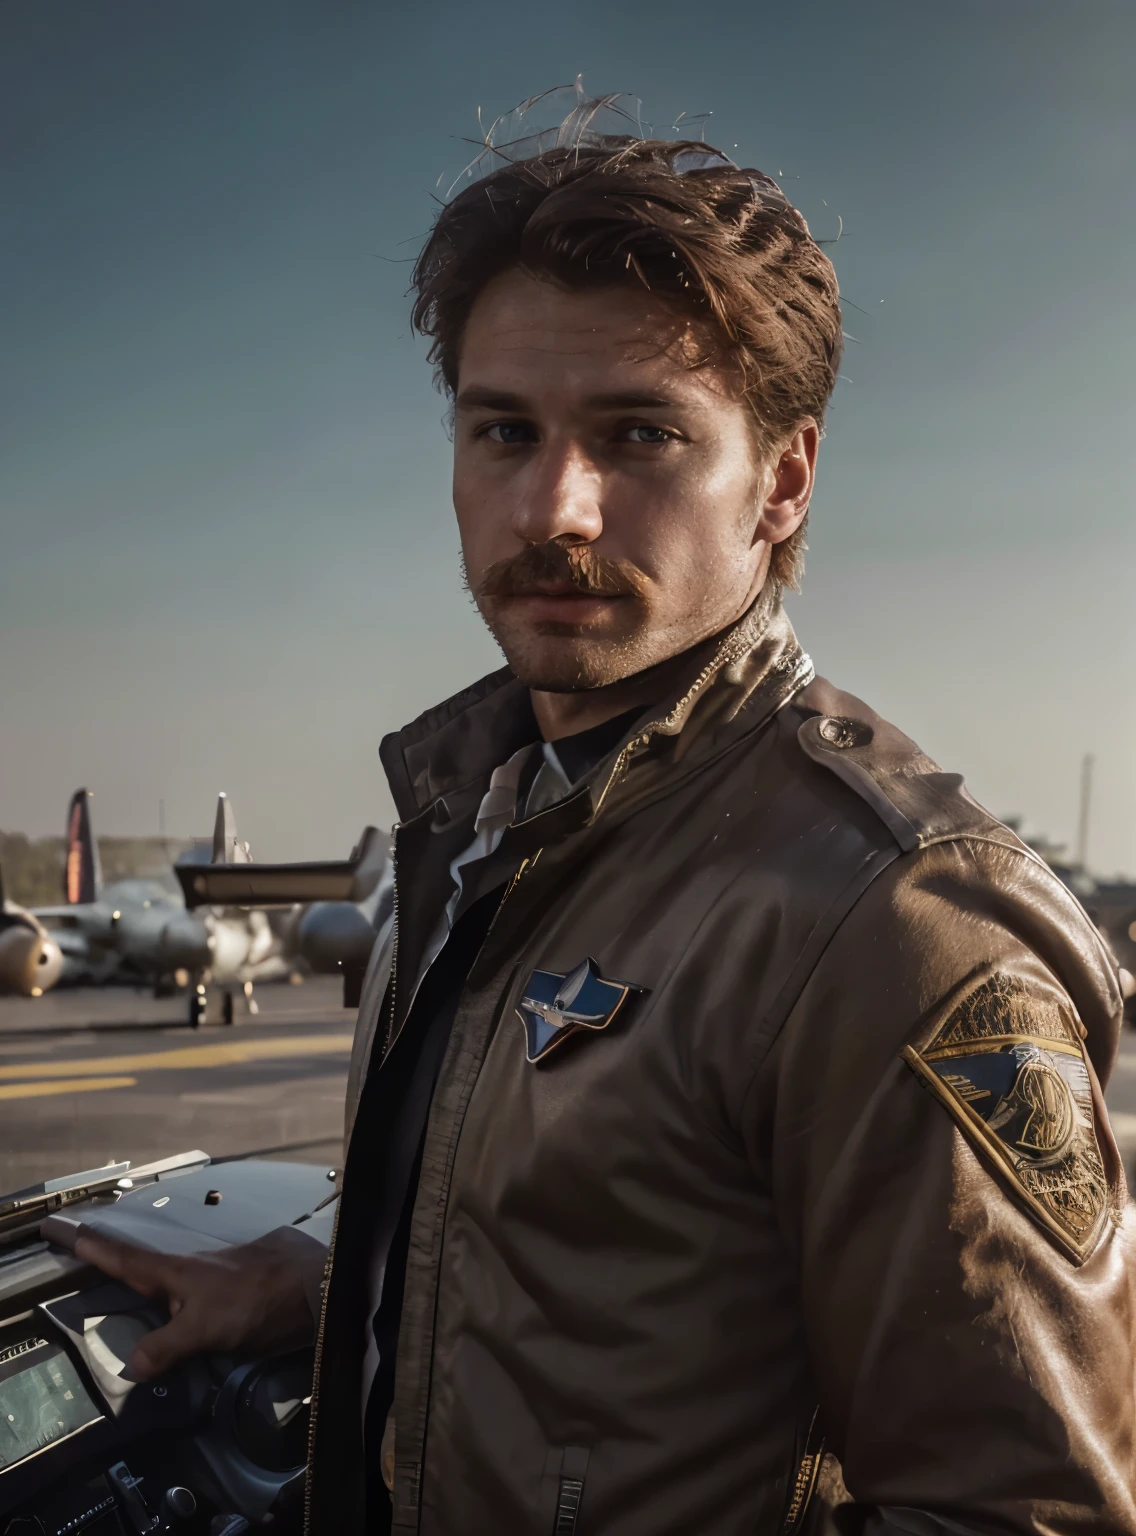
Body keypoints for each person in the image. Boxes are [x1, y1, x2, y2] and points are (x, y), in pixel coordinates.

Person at [72, 109, 1136, 1536]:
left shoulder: (897, 915)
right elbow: (627, 1275)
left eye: (638, 436)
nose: (554, 506)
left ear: (782, 480)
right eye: (505, 429)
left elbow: (1021, 1511)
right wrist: (326, 1286)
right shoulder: (482, 824)